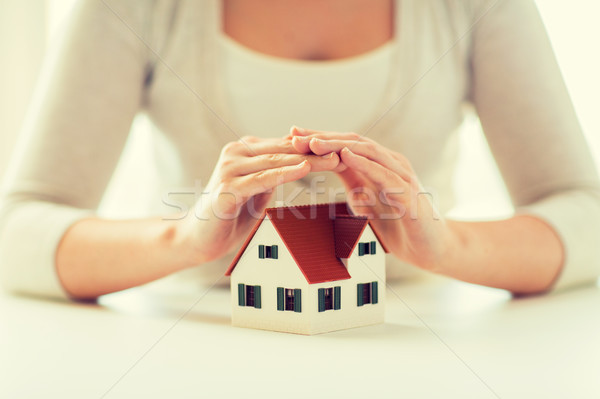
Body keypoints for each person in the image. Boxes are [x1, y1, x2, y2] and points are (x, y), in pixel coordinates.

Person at [1, 0, 599, 300]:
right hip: (196, 343)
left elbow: (585, 211)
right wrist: (182, 240)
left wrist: (448, 244)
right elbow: (16, 228)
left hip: (417, 345)